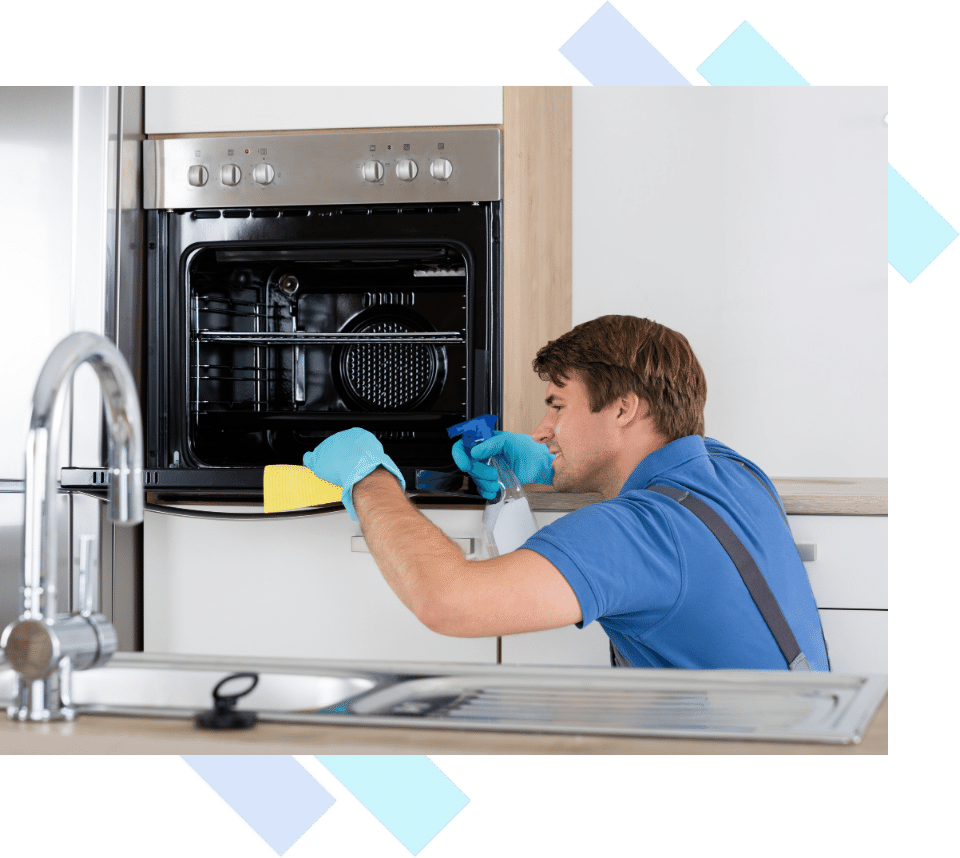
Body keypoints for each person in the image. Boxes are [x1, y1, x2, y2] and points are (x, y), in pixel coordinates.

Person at [302, 315, 830, 670]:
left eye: (557, 405)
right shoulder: (736, 474)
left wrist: (370, 480)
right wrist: (551, 467)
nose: (540, 429)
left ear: (624, 409)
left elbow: (447, 602)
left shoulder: (640, 534)